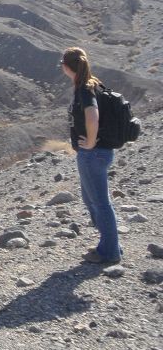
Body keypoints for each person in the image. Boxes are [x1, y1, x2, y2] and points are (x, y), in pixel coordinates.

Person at [60, 46, 122, 264]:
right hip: (100, 152)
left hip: (92, 153)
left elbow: (92, 116)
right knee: (91, 199)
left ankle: (109, 252)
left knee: (100, 202)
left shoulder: (85, 89)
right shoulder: (94, 83)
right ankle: (110, 244)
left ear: (66, 67)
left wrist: (90, 140)